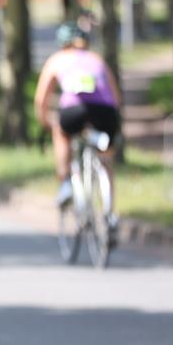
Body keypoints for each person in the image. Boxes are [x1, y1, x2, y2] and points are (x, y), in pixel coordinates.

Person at [34, 22, 123, 240]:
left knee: (61, 130)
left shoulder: (57, 59)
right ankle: (109, 213)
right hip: (106, 113)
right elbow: (116, 97)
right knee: (106, 159)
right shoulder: (96, 59)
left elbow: (41, 99)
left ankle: (65, 182)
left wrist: (45, 122)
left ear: (62, 44)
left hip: (74, 111)